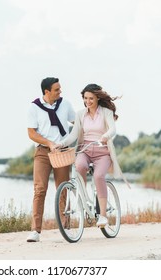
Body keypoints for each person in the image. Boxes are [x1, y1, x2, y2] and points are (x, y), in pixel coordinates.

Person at [58, 83, 130, 227]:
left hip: (102, 151)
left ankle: (103, 216)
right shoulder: (80, 114)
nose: (88, 101)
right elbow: (73, 135)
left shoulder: (106, 112)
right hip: (85, 149)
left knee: (98, 176)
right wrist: (61, 144)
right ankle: (84, 199)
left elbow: (113, 129)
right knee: (79, 166)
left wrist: (104, 136)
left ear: (97, 98)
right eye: (85, 98)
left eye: (91, 98)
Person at [26, 77, 75, 242]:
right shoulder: (34, 107)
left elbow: (77, 123)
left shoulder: (65, 105)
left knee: (63, 189)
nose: (60, 92)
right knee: (39, 190)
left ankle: (65, 227)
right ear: (46, 91)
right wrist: (49, 143)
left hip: (62, 152)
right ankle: (35, 231)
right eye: (57, 90)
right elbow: (31, 133)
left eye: (60, 89)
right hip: (43, 153)